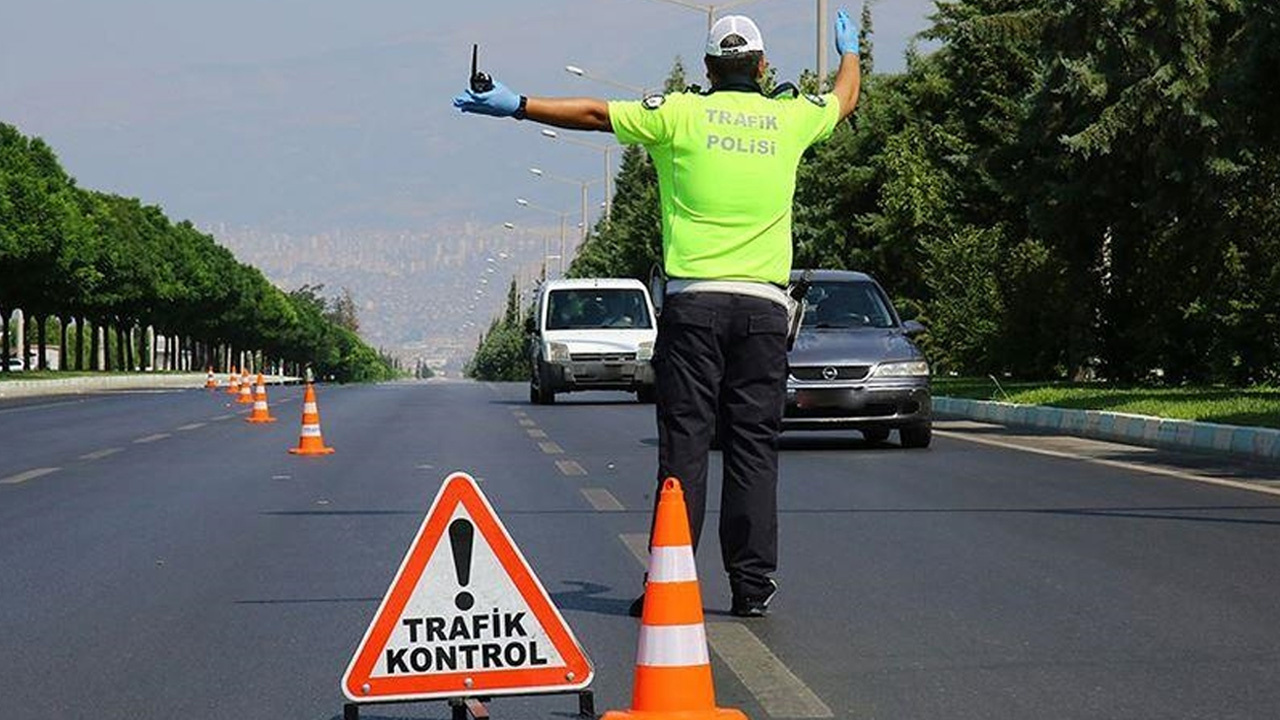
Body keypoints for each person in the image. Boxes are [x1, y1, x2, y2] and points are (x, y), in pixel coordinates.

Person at [454, 10, 862, 617]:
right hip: (763, 310)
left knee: (686, 446)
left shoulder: (678, 114)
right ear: (762, 65)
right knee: (753, 447)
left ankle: (672, 579)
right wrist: (849, 52)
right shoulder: (790, 118)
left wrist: (518, 105)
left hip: (694, 307)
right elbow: (844, 99)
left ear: (706, 68)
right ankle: (751, 587)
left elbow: (594, 115)